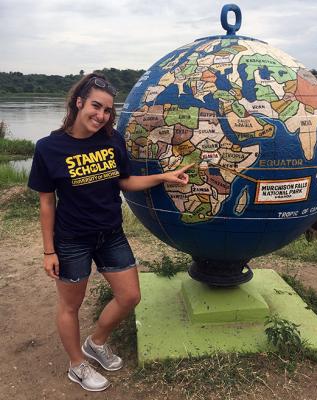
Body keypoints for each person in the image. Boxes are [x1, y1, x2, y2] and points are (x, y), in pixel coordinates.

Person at [28, 73, 193, 392]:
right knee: (70, 306)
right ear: (79, 103)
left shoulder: (111, 139)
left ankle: (96, 342)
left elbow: (125, 182)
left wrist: (165, 177)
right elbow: (46, 203)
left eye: (107, 110)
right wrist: (49, 251)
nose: (101, 115)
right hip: (72, 240)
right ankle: (77, 364)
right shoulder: (49, 147)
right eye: (95, 106)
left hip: (111, 234)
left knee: (130, 295)